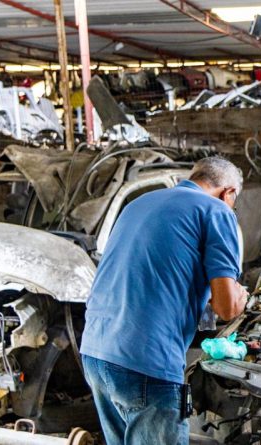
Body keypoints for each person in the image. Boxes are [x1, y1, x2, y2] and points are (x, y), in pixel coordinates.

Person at [81, 156, 249, 445]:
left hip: (96, 353)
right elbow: (227, 307)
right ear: (228, 193)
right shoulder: (217, 211)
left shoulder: (139, 203)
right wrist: (241, 296)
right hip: (146, 364)